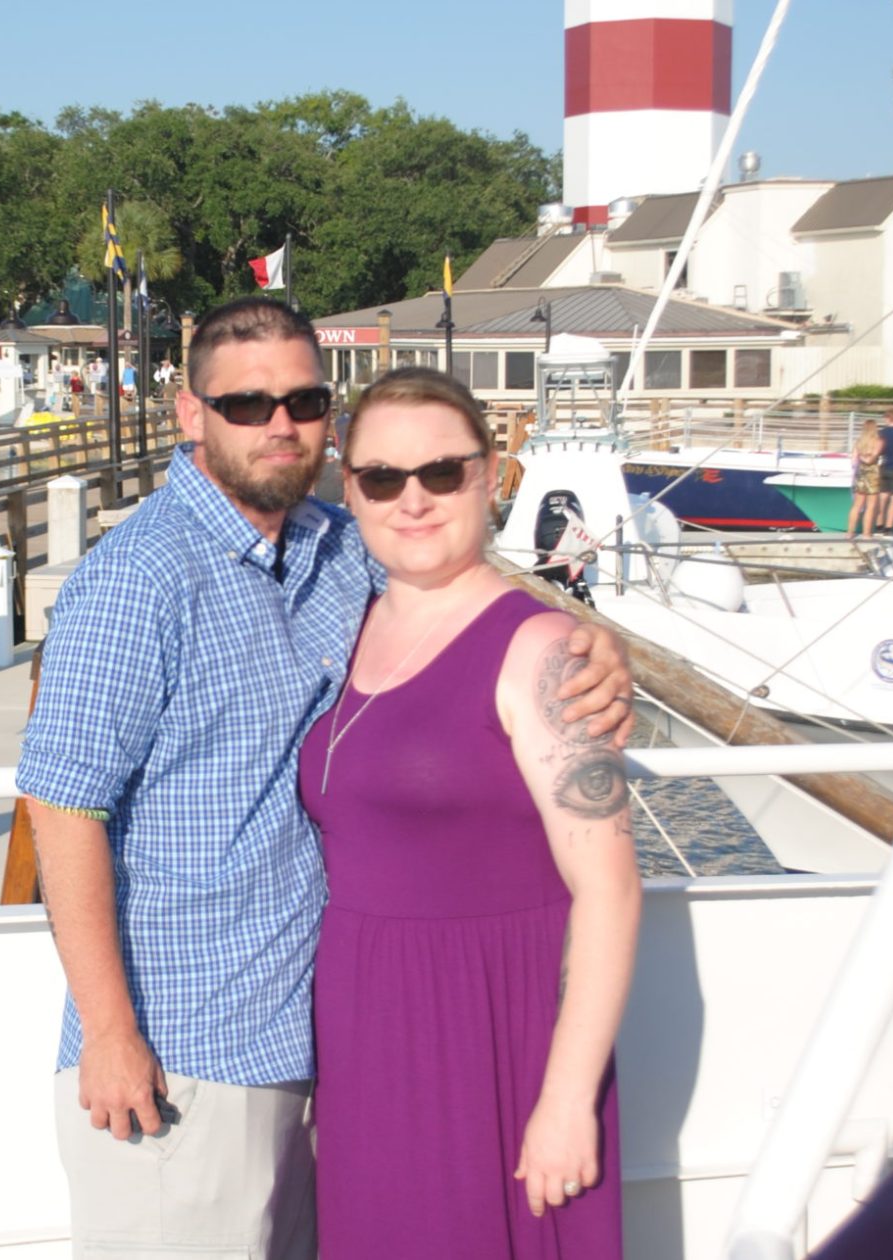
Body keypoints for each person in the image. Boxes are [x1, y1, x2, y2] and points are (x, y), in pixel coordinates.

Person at [17, 298, 633, 1258]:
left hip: (321, 1049)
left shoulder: (336, 548)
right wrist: (109, 1032)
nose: (278, 424)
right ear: (191, 415)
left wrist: (595, 647)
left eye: (303, 400)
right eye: (246, 403)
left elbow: (463, 603)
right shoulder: (137, 580)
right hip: (181, 1053)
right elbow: (61, 810)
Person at [305, 368, 639, 1258]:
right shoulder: (349, 618)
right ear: (352, 491)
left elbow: (610, 891)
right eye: (382, 478)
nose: (412, 500)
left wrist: (567, 1100)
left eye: (442, 474)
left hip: (492, 1031)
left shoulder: (542, 653)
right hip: (367, 1041)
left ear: (492, 477)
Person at [846, 415, 883, 538]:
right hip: (872, 473)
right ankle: (866, 533)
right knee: (871, 506)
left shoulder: (859, 441)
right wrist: (867, 458)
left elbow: (853, 460)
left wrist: (861, 457)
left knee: (857, 505)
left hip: (860, 473)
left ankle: (850, 532)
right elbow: (873, 457)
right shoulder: (878, 441)